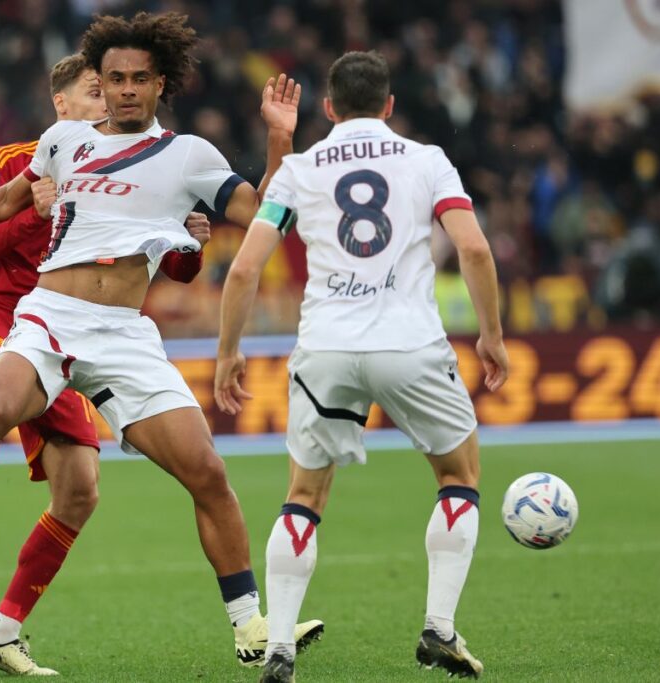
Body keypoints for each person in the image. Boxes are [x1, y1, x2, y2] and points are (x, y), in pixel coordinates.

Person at [0, 11, 322, 669]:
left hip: (125, 335)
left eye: (139, 79)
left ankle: (250, 627)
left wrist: (277, 139)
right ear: (101, 79)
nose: (125, 89)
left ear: (160, 84)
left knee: (207, 472)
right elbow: (6, 203)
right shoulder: (64, 140)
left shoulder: (189, 155)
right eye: (114, 78)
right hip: (51, 314)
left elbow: (266, 215)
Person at [214, 50, 510, 683]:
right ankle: (439, 627)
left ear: (328, 108)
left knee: (303, 496)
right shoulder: (427, 160)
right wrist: (491, 334)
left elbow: (244, 269)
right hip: (410, 346)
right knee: (458, 476)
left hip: (326, 348)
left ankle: (279, 649)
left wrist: (228, 351)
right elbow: (476, 249)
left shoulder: (299, 169)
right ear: (389, 105)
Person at [0, 53, 212, 675]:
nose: (109, 101)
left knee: (80, 488)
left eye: (112, 90)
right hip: (1, 310)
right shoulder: (13, 160)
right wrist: (34, 207)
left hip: (71, 330)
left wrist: (192, 240)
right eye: (95, 91)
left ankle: (2, 632)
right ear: (62, 103)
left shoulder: (140, 163)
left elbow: (175, 265)